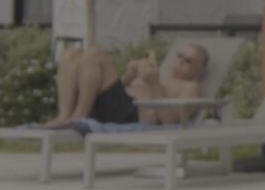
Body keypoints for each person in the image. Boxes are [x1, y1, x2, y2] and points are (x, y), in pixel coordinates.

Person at [28, 41, 211, 130]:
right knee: (70, 54)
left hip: (132, 115)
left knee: (95, 54)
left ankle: (79, 116)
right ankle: (65, 115)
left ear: (199, 69)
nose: (181, 61)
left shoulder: (190, 87)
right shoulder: (156, 73)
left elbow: (171, 123)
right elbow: (118, 91)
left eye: (188, 61)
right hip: (112, 106)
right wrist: (129, 77)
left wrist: (154, 85)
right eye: (180, 55)